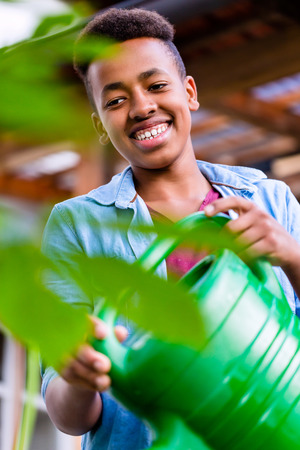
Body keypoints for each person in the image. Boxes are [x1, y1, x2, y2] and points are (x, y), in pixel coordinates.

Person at [41, 7, 300, 449]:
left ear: (189, 92)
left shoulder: (269, 199)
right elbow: (70, 418)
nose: (142, 108)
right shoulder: (77, 225)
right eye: (116, 100)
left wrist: (292, 258)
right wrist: (79, 372)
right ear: (100, 126)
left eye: (156, 85)